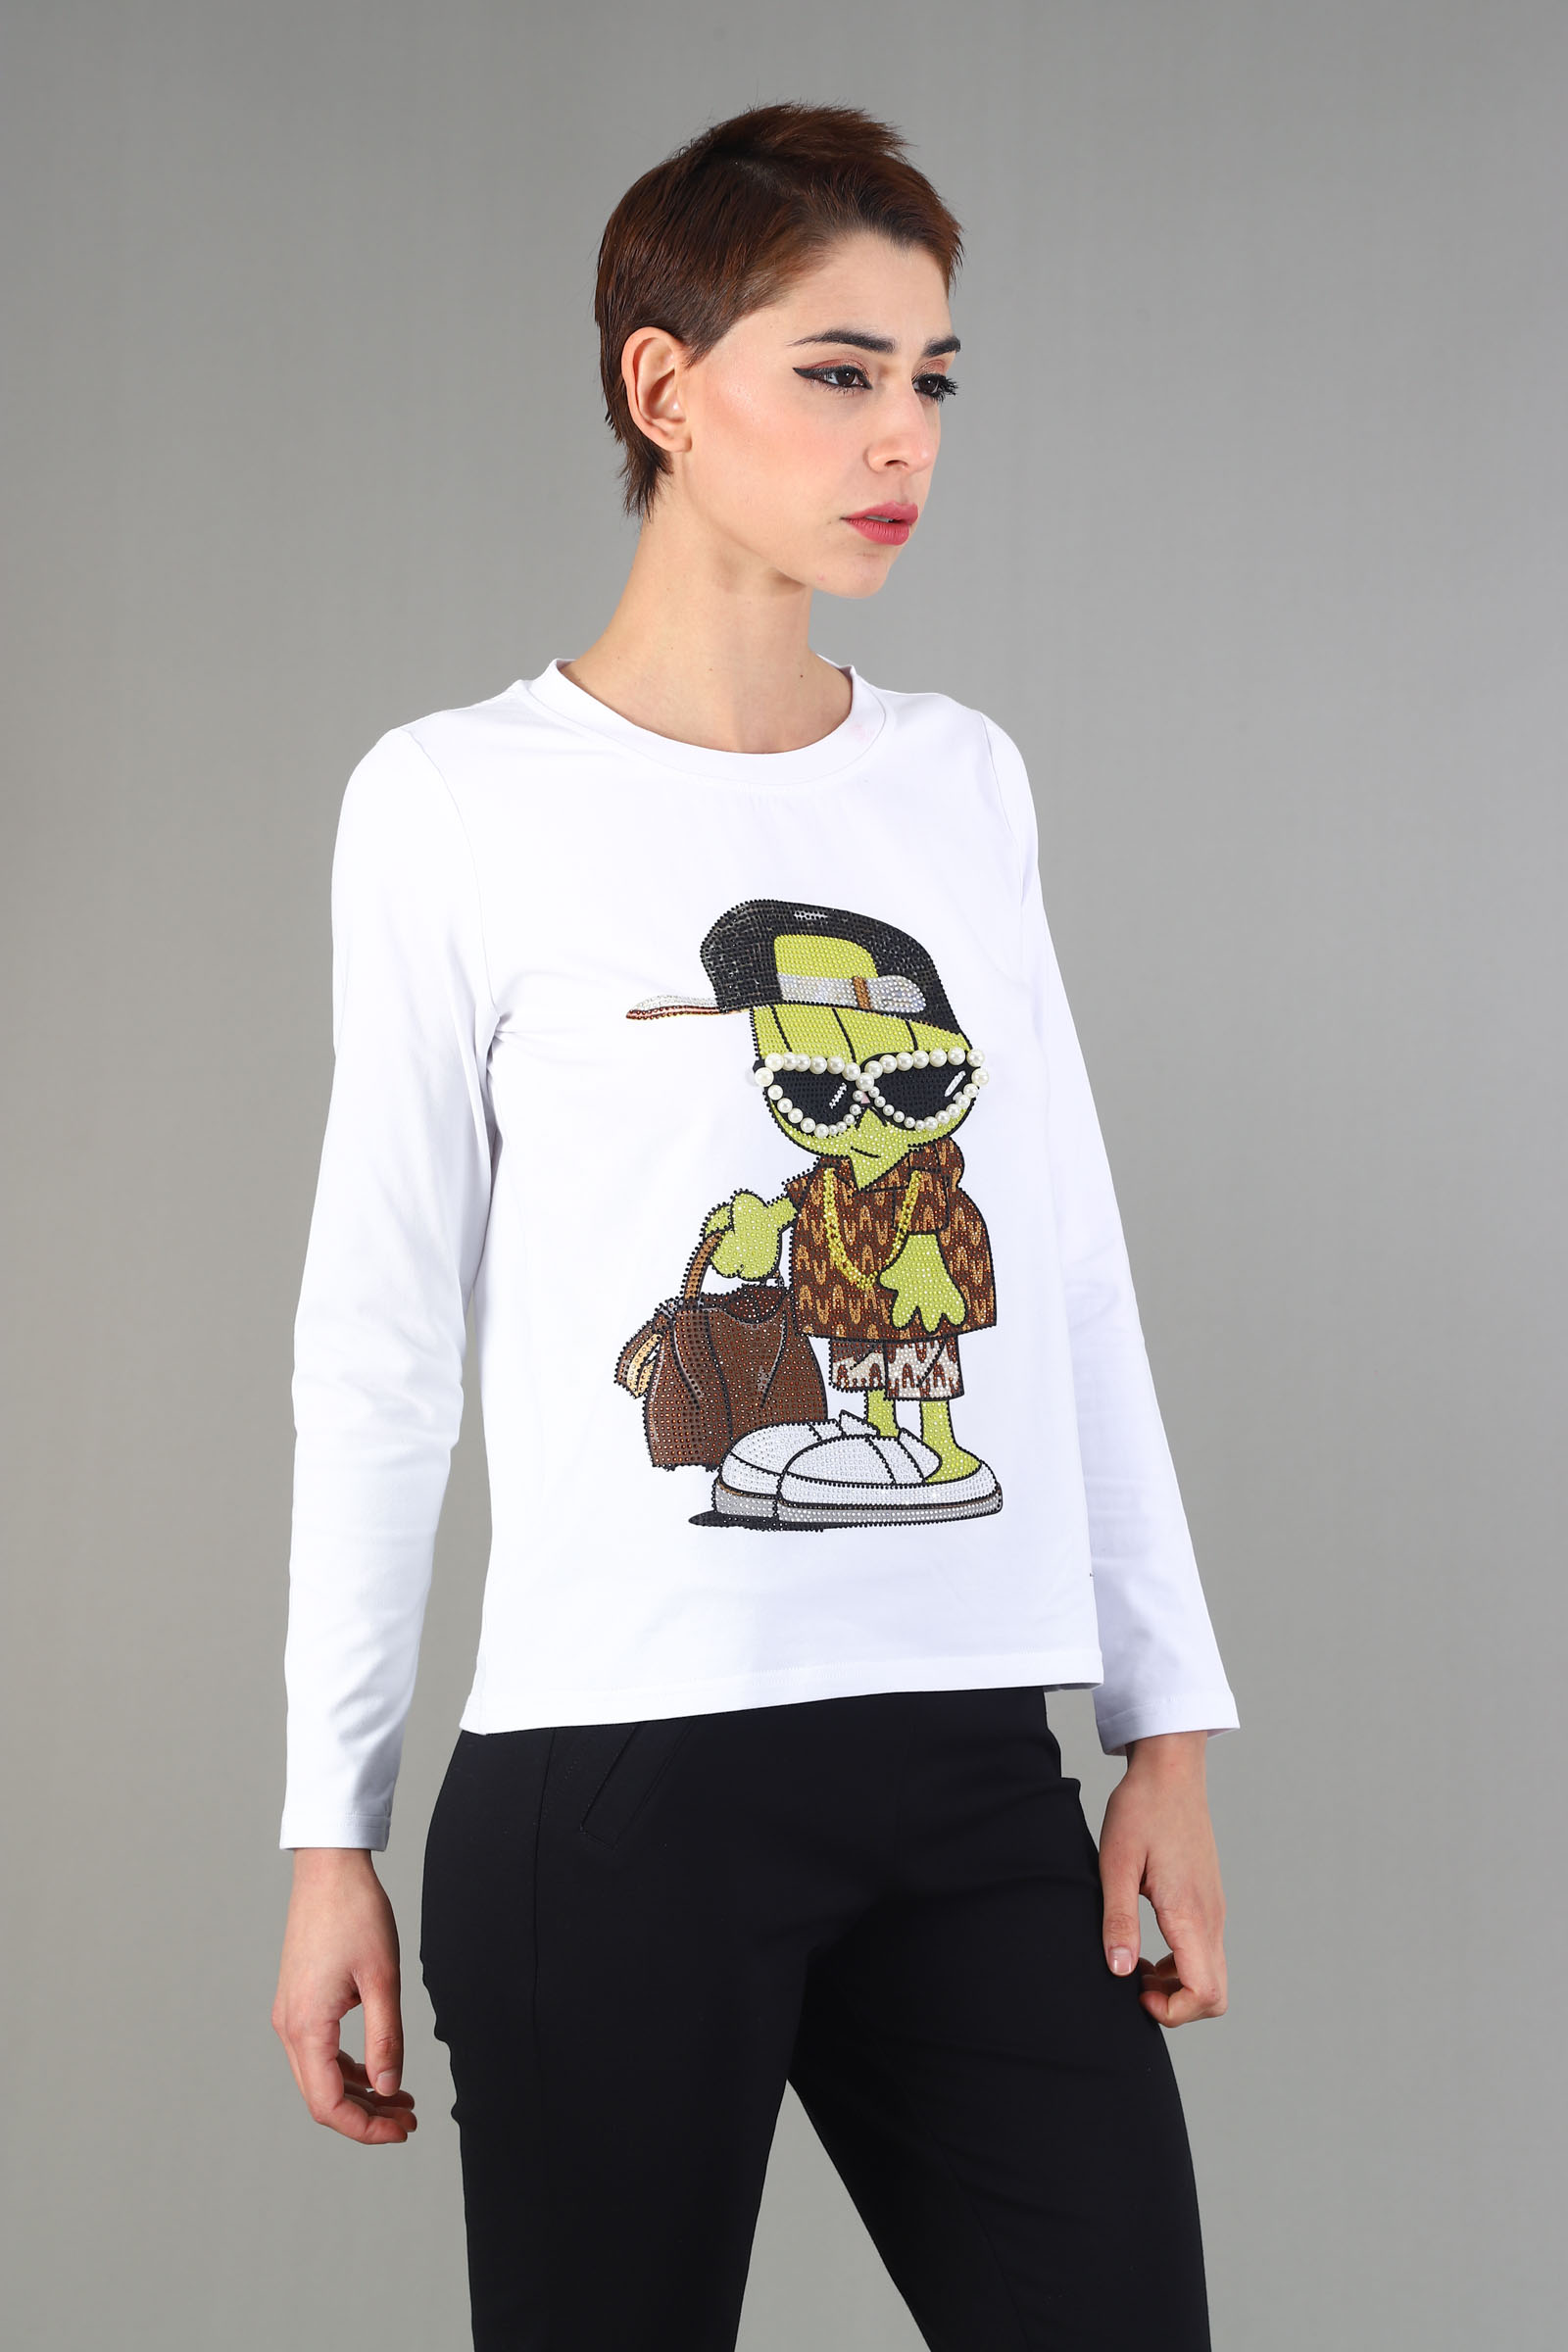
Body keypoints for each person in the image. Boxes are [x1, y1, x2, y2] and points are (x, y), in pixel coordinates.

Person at [271, 98, 1240, 2352]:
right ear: (662, 386)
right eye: (837, 369)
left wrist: (1162, 1734)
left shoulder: (957, 779)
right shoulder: (452, 801)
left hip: (968, 1774)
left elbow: (1064, 1272)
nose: (904, 434)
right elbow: (379, 1343)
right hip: (615, 1788)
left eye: (930, 378)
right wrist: (330, 1835)